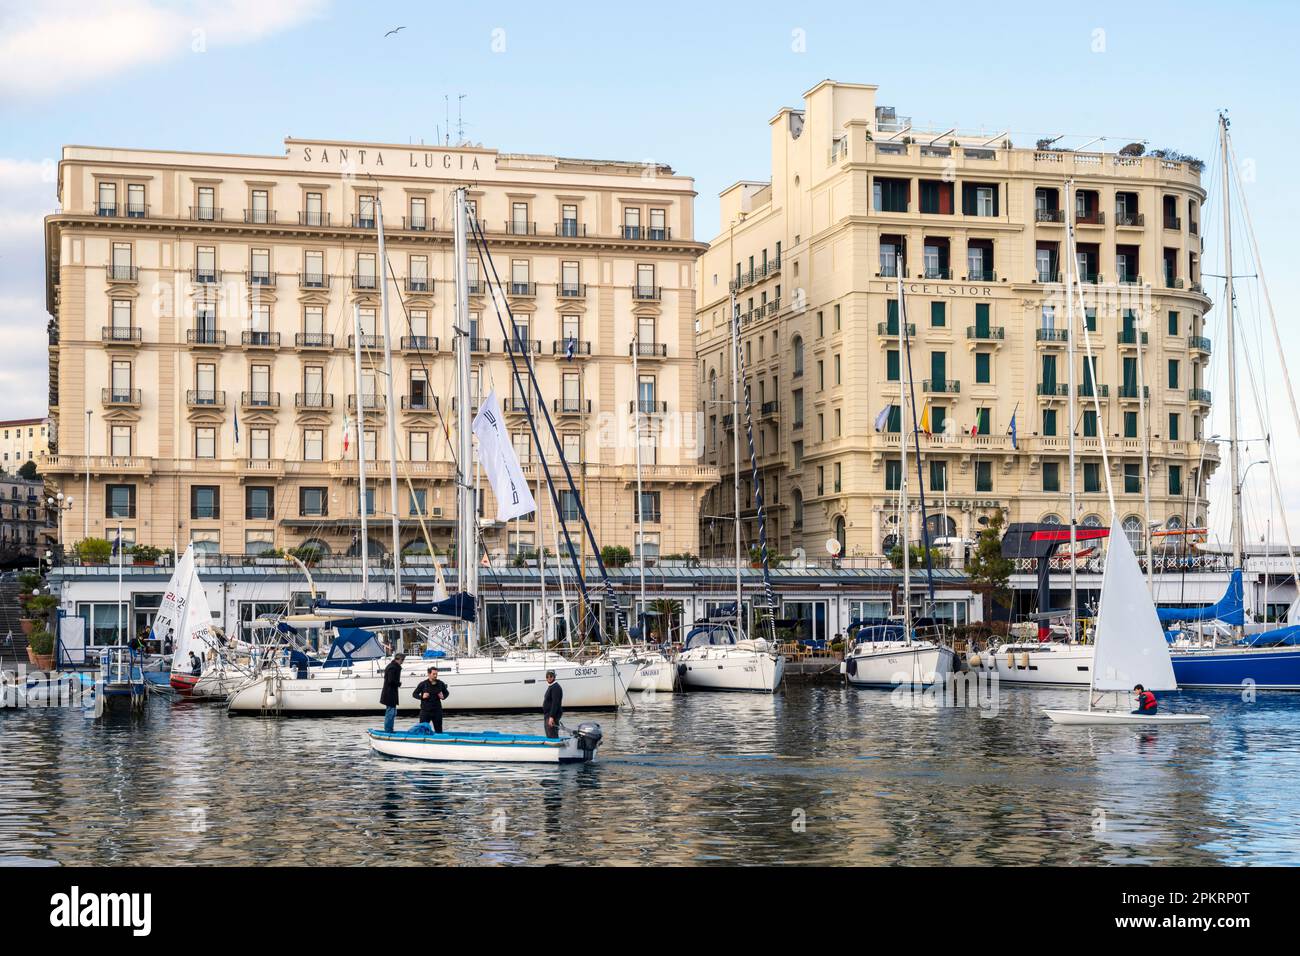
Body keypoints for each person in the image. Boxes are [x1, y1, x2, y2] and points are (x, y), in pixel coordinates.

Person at [412, 666, 450, 733]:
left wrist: (443, 697)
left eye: (436, 674)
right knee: (423, 730)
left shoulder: (440, 683)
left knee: (438, 730)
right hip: (425, 711)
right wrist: (422, 697)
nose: (435, 676)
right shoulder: (423, 684)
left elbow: (447, 693)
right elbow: (414, 694)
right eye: (434, 674)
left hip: (437, 711)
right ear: (429, 674)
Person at [379, 652, 405, 733]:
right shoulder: (393, 667)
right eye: (402, 660)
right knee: (391, 712)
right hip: (390, 694)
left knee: (391, 712)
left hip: (390, 693)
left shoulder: (392, 666)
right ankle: (388, 730)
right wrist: (398, 683)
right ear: (398, 659)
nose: (403, 661)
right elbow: (390, 681)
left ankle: (389, 729)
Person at [542, 669, 563, 739]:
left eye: (551, 676)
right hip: (548, 715)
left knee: (552, 735)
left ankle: (555, 748)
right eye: (547, 677)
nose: (549, 678)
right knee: (549, 735)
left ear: (554, 677)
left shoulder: (555, 687)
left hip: (552, 716)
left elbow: (555, 703)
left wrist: (552, 717)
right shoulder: (551, 686)